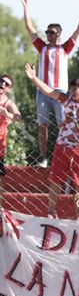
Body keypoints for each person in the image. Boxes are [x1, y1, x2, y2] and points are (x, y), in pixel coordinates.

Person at [24, 63, 79, 219]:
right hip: (62, 146)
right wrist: (34, 78)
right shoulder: (67, 100)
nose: (72, 90)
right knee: (56, 179)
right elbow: (49, 91)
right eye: (71, 87)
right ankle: (51, 211)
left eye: (76, 87)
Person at [22, 0, 79, 168]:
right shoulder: (42, 47)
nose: (48, 34)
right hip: (42, 92)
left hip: (60, 92)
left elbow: (78, 31)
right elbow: (30, 29)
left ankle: (64, 157)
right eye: (47, 32)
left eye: (51, 32)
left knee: (64, 125)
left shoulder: (64, 49)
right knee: (42, 126)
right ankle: (44, 158)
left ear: (58, 34)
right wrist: (26, 7)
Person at [0, 75, 22, 236]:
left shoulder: (8, 103)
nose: (2, 84)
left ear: (9, 88)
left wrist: (6, 114)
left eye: (6, 84)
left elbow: (18, 117)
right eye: (1, 81)